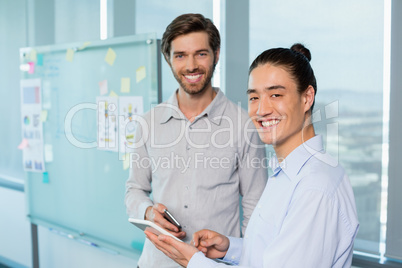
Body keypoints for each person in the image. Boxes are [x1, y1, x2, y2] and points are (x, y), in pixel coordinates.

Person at [144, 44, 360, 267]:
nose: (261, 110)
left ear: (307, 98)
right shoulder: (286, 173)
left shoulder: (315, 188)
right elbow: (274, 253)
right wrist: (230, 248)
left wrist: (194, 262)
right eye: (254, 98)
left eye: (276, 95)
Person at [125, 13, 267, 268]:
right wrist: (147, 211)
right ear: (168, 59)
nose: (191, 65)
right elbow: (135, 189)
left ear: (216, 54)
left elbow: (255, 205)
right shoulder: (147, 123)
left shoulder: (244, 125)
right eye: (180, 55)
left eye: (201, 53)